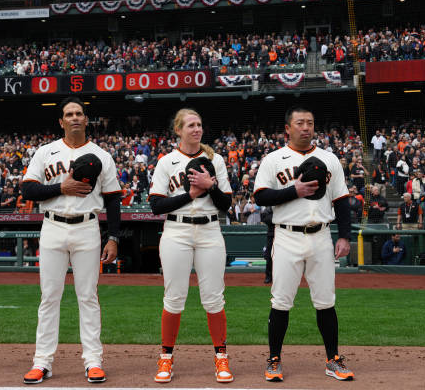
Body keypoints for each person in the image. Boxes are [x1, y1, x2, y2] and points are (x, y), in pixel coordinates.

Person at [21, 97, 121, 384]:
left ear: (86, 120)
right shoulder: (46, 151)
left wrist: (112, 237)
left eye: (79, 113)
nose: (75, 117)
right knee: (49, 297)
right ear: (61, 121)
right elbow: (28, 190)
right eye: (69, 114)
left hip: (87, 228)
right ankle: (42, 362)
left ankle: (93, 361)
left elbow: (113, 200)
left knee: (88, 296)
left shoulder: (102, 155)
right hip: (52, 226)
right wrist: (60, 187)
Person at [254, 106, 354, 382]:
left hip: (321, 235)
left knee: (325, 301)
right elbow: (261, 197)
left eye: (310, 122)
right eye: (300, 123)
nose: (306, 127)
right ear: (288, 128)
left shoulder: (329, 159)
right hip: (286, 236)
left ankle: (333, 359)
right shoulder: (273, 160)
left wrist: (344, 236)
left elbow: (342, 201)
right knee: (281, 301)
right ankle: (274, 359)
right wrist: (293, 190)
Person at [148, 108, 234, 383]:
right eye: (191, 125)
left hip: (210, 230)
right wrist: (191, 194)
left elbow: (226, 204)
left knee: (213, 297)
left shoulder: (215, 159)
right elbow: (156, 206)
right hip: (177, 230)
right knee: (174, 298)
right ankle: (166, 357)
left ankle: (221, 357)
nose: (196, 129)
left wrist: (210, 186)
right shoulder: (166, 161)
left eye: (199, 124)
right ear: (179, 130)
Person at [260, 206, 274, 284]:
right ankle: (268, 276)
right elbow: (264, 218)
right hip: (271, 234)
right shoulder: (270, 207)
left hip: (284, 234)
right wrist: (276, 219)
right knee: (269, 256)